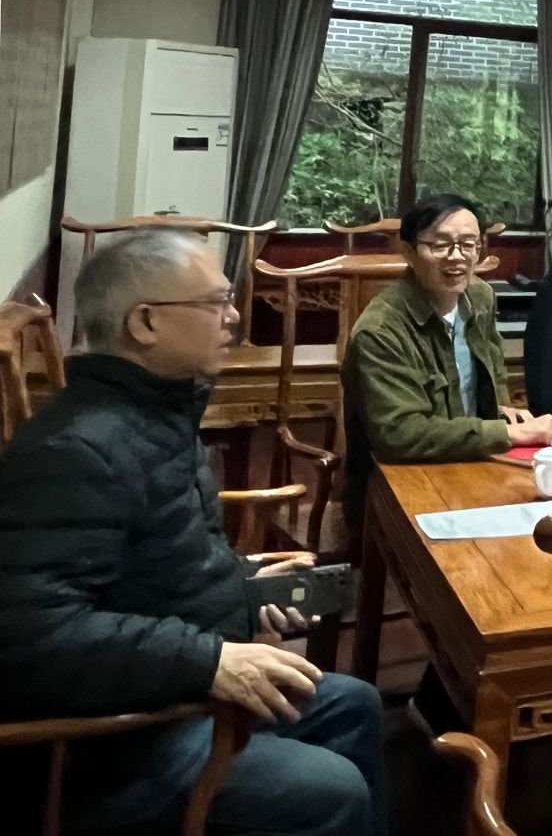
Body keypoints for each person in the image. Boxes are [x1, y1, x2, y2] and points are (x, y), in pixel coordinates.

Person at [0, 230, 385, 836]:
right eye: (216, 302)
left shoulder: (156, 414)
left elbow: (154, 567)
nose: (233, 317)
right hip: (109, 750)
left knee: (354, 703)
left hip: (161, 692)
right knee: (330, 789)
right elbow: (30, 636)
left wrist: (245, 586)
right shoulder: (76, 450)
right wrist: (211, 660)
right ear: (145, 323)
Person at [343, 193, 552, 528]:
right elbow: (400, 435)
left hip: (473, 461)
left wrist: (502, 408)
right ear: (409, 252)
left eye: (468, 244)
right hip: (404, 479)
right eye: (441, 245)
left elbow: (494, 368)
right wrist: (510, 433)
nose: (457, 257)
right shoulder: (380, 331)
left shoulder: (480, 296)